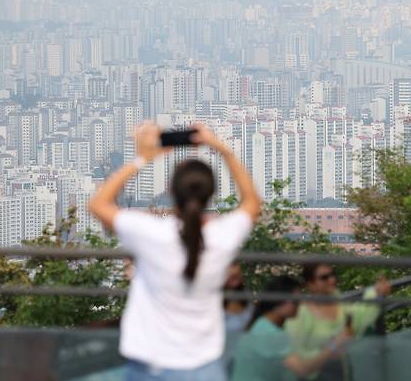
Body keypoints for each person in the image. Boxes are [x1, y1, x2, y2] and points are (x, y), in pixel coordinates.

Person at [89, 122, 261, 381]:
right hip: (205, 366)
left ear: (170, 191)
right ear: (211, 194)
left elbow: (99, 204)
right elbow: (252, 202)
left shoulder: (151, 233)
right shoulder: (222, 237)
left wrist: (142, 158)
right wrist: (223, 150)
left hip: (151, 365)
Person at [231, 276, 352, 381]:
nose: (299, 305)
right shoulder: (269, 333)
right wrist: (334, 346)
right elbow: (302, 369)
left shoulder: (262, 325)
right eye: (295, 301)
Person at [285, 263, 392, 381]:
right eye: (324, 278)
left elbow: (357, 316)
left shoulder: (337, 301)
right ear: (310, 284)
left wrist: (376, 293)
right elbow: (298, 363)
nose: (332, 280)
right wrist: (333, 346)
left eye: (333, 275)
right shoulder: (300, 314)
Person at [222, 262, 254, 373]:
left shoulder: (247, 301)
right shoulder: (212, 303)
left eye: (236, 265)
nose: (234, 271)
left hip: (244, 365)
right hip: (220, 365)